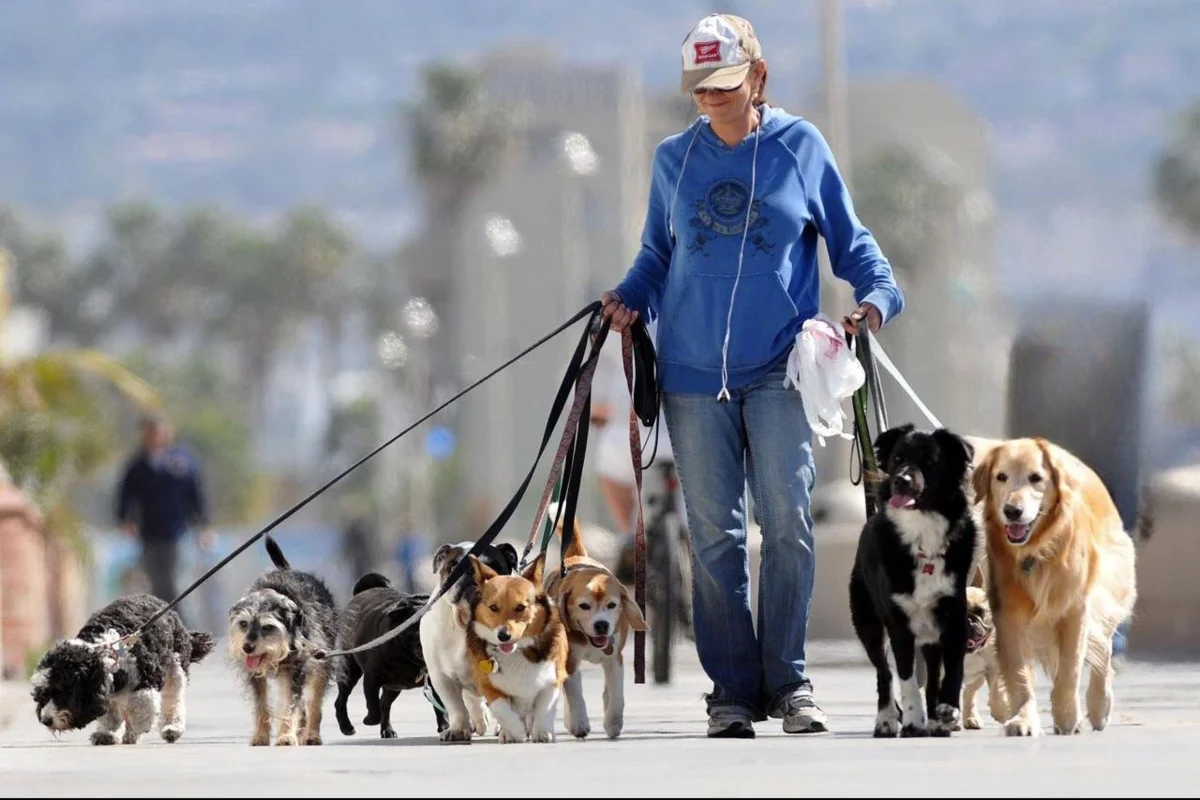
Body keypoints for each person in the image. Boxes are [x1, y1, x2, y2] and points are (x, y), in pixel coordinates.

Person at [600, 13, 905, 739]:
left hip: (778, 370)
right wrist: (626, 298)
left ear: (758, 77)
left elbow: (853, 243)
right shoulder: (674, 158)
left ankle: (790, 683)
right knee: (714, 536)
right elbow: (655, 255)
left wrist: (876, 299)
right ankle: (731, 691)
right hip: (691, 377)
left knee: (789, 523)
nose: (709, 96)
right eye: (698, 86)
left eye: (724, 83)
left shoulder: (801, 147)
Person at [115, 413, 213, 623]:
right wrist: (126, 520)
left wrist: (203, 526)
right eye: (149, 432)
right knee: (156, 583)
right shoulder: (138, 465)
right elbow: (126, 495)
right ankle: (165, 628)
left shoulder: (182, 462)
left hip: (177, 533)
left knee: (175, 583)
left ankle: (186, 629)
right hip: (149, 533)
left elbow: (196, 495)